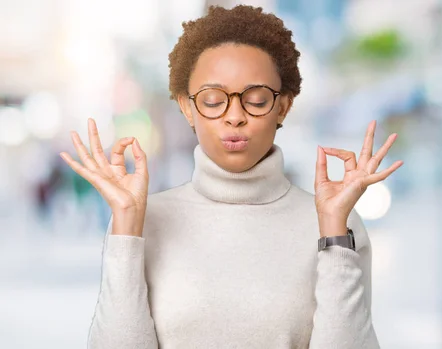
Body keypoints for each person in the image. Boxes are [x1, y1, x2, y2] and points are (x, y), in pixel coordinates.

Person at [59, 5, 403, 349]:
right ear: (186, 107)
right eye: (212, 101)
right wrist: (126, 231)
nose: (235, 116)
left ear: (283, 106)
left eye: (256, 100)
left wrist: (332, 232)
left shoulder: (339, 223)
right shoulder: (141, 220)